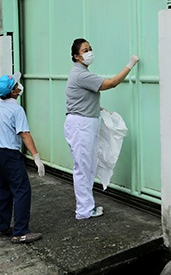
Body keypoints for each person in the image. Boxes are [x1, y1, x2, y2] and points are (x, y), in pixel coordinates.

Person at [64, 38, 139, 220]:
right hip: (81, 126)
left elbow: (80, 98)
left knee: (88, 167)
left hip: (85, 123)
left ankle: (88, 206)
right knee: (83, 168)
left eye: (90, 48)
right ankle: (83, 210)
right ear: (76, 56)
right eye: (85, 50)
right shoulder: (81, 74)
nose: (89, 52)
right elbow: (111, 83)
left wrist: (97, 109)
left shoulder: (81, 72)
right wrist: (131, 64)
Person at [0, 72, 45, 244]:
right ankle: (20, 232)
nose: (19, 86)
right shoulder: (16, 109)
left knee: (3, 187)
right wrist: (36, 157)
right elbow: (24, 134)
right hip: (9, 154)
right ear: (13, 92)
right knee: (22, 190)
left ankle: (2, 226)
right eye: (16, 86)